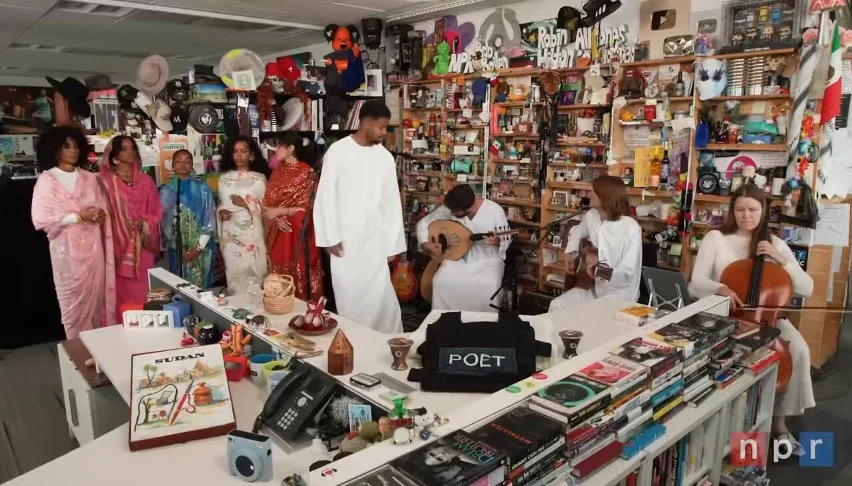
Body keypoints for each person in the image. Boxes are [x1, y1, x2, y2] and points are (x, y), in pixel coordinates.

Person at [689, 183, 814, 454]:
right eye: (740, 209)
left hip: (767, 318)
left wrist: (781, 259)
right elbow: (695, 283)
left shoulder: (775, 244)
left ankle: (779, 426)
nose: (746, 215)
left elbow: (807, 288)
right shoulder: (715, 238)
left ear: (763, 210)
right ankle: (728, 433)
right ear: (732, 211)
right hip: (726, 316)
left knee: (800, 351)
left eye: (753, 209)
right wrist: (718, 287)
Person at [313, 100, 406, 333]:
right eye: (381, 127)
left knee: (383, 298)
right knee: (350, 297)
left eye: (387, 128)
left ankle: (387, 342)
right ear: (365, 122)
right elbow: (325, 195)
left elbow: (391, 202)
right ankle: (355, 342)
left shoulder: (384, 157)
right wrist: (329, 236)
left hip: (375, 241)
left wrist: (393, 243)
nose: (384, 133)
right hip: (345, 241)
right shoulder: (338, 151)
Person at [31, 126, 116, 338]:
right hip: (66, 254)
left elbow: (102, 209)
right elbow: (41, 219)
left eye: (76, 146)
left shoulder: (90, 178)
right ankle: (77, 356)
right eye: (67, 146)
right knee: (72, 309)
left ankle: (97, 355)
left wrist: (99, 215)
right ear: (55, 150)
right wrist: (80, 217)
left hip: (93, 250)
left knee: (96, 306)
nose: (73, 150)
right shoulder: (47, 180)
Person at [548, 175, 642, 312]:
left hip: (620, 296)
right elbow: (577, 232)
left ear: (604, 195)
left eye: (593, 191)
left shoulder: (631, 228)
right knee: (557, 305)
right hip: (597, 290)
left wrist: (599, 270)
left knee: (591, 318)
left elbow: (628, 273)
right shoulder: (592, 215)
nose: (588, 194)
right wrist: (570, 252)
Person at [417, 185, 510, 311]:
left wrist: (498, 242)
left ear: (468, 208)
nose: (452, 214)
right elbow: (424, 223)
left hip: (488, 260)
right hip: (457, 259)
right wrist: (425, 243)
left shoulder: (494, 210)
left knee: (489, 286)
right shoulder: (451, 207)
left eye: (455, 212)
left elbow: (507, 237)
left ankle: (484, 324)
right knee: (440, 281)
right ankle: (445, 320)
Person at [100, 135, 161, 317]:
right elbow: (103, 214)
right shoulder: (105, 183)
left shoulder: (146, 182)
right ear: (115, 155)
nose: (131, 151)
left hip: (143, 245)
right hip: (117, 248)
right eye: (125, 148)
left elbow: (156, 212)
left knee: (142, 291)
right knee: (120, 295)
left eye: (133, 147)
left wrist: (144, 222)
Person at [263, 133, 323, 300]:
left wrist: (282, 212)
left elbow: (309, 207)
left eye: (280, 145)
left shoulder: (306, 172)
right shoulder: (276, 172)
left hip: (299, 234)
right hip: (277, 232)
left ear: (291, 149)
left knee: (300, 272)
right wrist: (277, 218)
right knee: (278, 279)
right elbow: (268, 204)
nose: (276, 149)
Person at [218, 135, 270, 295]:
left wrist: (245, 205)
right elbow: (221, 204)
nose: (239, 155)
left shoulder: (259, 180)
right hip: (231, 238)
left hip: (251, 236)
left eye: (243, 151)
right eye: (235, 151)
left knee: (254, 278)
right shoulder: (223, 179)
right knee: (234, 278)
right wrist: (221, 212)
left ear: (251, 154)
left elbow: (265, 210)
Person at [159, 149, 217, 288]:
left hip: (201, 250)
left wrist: (197, 249)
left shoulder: (202, 188)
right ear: (172, 165)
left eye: (187, 161)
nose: (183, 165)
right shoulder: (166, 191)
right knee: (180, 288)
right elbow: (165, 224)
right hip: (177, 251)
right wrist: (180, 249)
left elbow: (210, 219)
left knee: (200, 290)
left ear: (192, 164)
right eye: (178, 161)